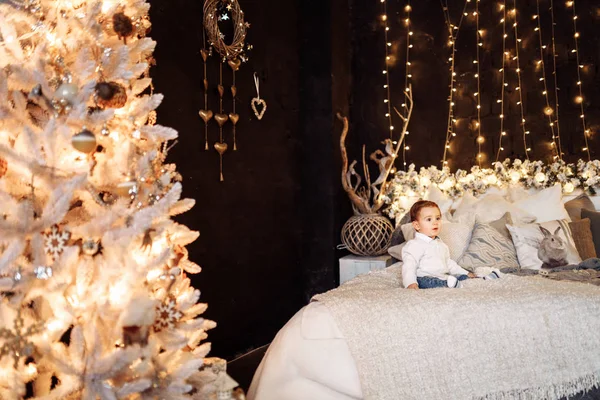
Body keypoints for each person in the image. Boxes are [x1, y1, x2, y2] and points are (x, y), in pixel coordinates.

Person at [402, 200, 476, 289]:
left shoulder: (441, 244)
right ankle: (447, 283)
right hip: (423, 278)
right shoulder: (414, 245)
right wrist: (410, 283)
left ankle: (465, 279)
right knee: (428, 282)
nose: (435, 222)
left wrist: (465, 273)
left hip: (441, 276)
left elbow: (449, 264)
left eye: (437, 218)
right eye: (429, 219)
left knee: (461, 277)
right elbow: (409, 266)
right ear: (417, 225)